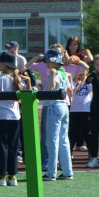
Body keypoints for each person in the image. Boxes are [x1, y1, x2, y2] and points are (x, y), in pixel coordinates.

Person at [0, 51, 28, 186]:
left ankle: (2, 177)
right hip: (15, 116)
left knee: (1, 146)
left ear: (5, 64)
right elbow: (24, 95)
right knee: (13, 146)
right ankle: (13, 177)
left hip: (1, 116)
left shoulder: (1, 79)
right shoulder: (17, 79)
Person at [39, 49, 74, 181]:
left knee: (52, 140)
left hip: (53, 106)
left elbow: (51, 88)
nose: (46, 63)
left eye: (48, 60)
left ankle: (51, 172)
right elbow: (70, 90)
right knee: (64, 140)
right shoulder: (65, 73)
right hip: (64, 105)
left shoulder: (54, 72)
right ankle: (67, 171)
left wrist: (50, 80)